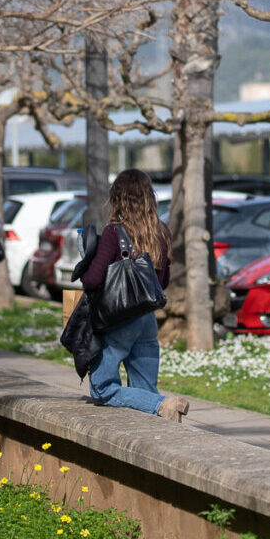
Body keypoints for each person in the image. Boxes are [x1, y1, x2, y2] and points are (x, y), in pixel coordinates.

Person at [80, 169, 188, 422]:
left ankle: (164, 404)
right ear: (149, 197)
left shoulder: (114, 233)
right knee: (144, 393)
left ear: (118, 198)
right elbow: (163, 282)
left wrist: (87, 261)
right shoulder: (162, 232)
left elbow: (93, 280)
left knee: (102, 390)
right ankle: (162, 411)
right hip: (148, 321)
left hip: (119, 321)